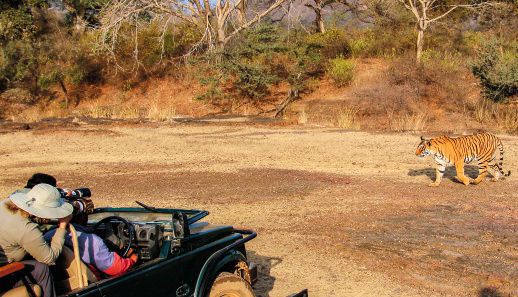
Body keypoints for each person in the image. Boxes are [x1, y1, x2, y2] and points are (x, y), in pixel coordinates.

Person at [0, 184, 73, 297]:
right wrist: (62, 226)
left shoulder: (4, 203)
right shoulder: (27, 229)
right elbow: (49, 258)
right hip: (3, 274)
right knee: (41, 269)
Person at [44, 226, 138, 279]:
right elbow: (116, 268)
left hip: (63, 280)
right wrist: (133, 259)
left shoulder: (49, 234)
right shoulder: (91, 241)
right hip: (92, 282)